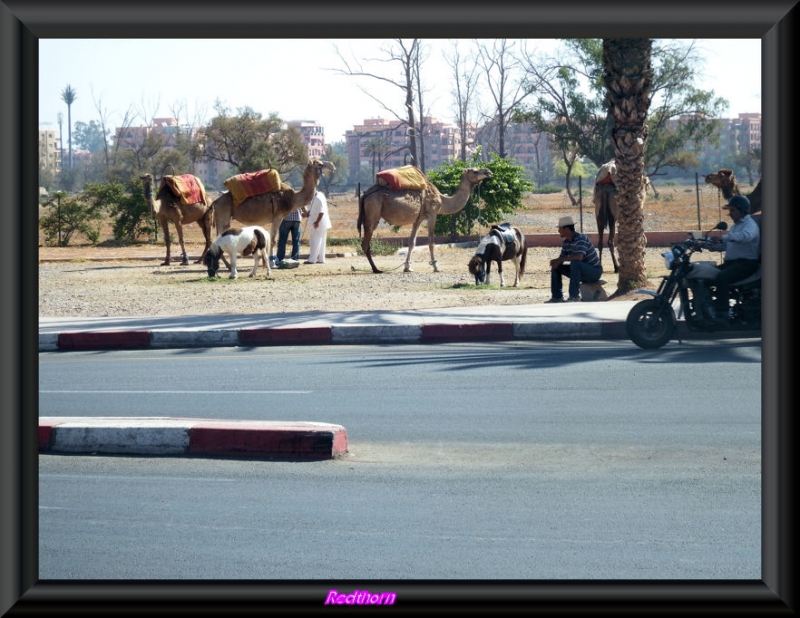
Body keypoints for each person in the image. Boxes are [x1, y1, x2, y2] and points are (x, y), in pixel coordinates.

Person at [708, 194, 761, 318]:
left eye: (733, 210)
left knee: (722, 278)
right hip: (732, 263)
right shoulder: (735, 227)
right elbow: (725, 245)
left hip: (746, 263)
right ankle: (709, 308)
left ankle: (723, 313)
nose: (730, 213)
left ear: (742, 210)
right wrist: (706, 245)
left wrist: (723, 237)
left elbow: (746, 236)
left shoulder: (750, 225)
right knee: (708, 274)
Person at [546, 215, 603, 303]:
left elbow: (579, 257)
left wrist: (560, 260)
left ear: (567, 229)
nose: (558, 231)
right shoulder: (566, 242)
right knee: (556, 266)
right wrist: (556, 261)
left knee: (575, 263)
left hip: (594, 272)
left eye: (560, 229)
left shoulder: (581, 238)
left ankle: (574, 296)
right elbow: (562, 258)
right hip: (579, 271)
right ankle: (557, 297)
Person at [303, 190, 331, 264]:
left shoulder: (317, 198)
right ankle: (321, 259)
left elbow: (321, 211)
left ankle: (312, 260)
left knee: (315, 241)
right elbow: (315, 209)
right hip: (321, 223)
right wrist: (307, 213)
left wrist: (317, 222)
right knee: (321, 242)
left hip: (317, 224)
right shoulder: (319, 195)